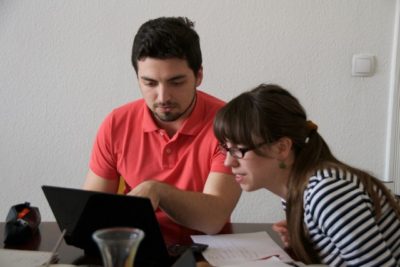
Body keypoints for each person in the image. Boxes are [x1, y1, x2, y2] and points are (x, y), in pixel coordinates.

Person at [83, 16, 241, 245]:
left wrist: (158, 191)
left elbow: (213, 219)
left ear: (199, 75)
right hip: (138, 250)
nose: (163, 97)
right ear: (137, 77)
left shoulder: (229, 124)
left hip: (205, 252)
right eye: (149, 83)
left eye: (176, 82)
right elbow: (91, 213)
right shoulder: (116, 123)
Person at [213, 83, 400, 266]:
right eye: (227, 149)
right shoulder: (297, 190)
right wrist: (302, 244)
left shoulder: (327, 192)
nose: (229, 161)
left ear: (282, 147)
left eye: (238, 150)